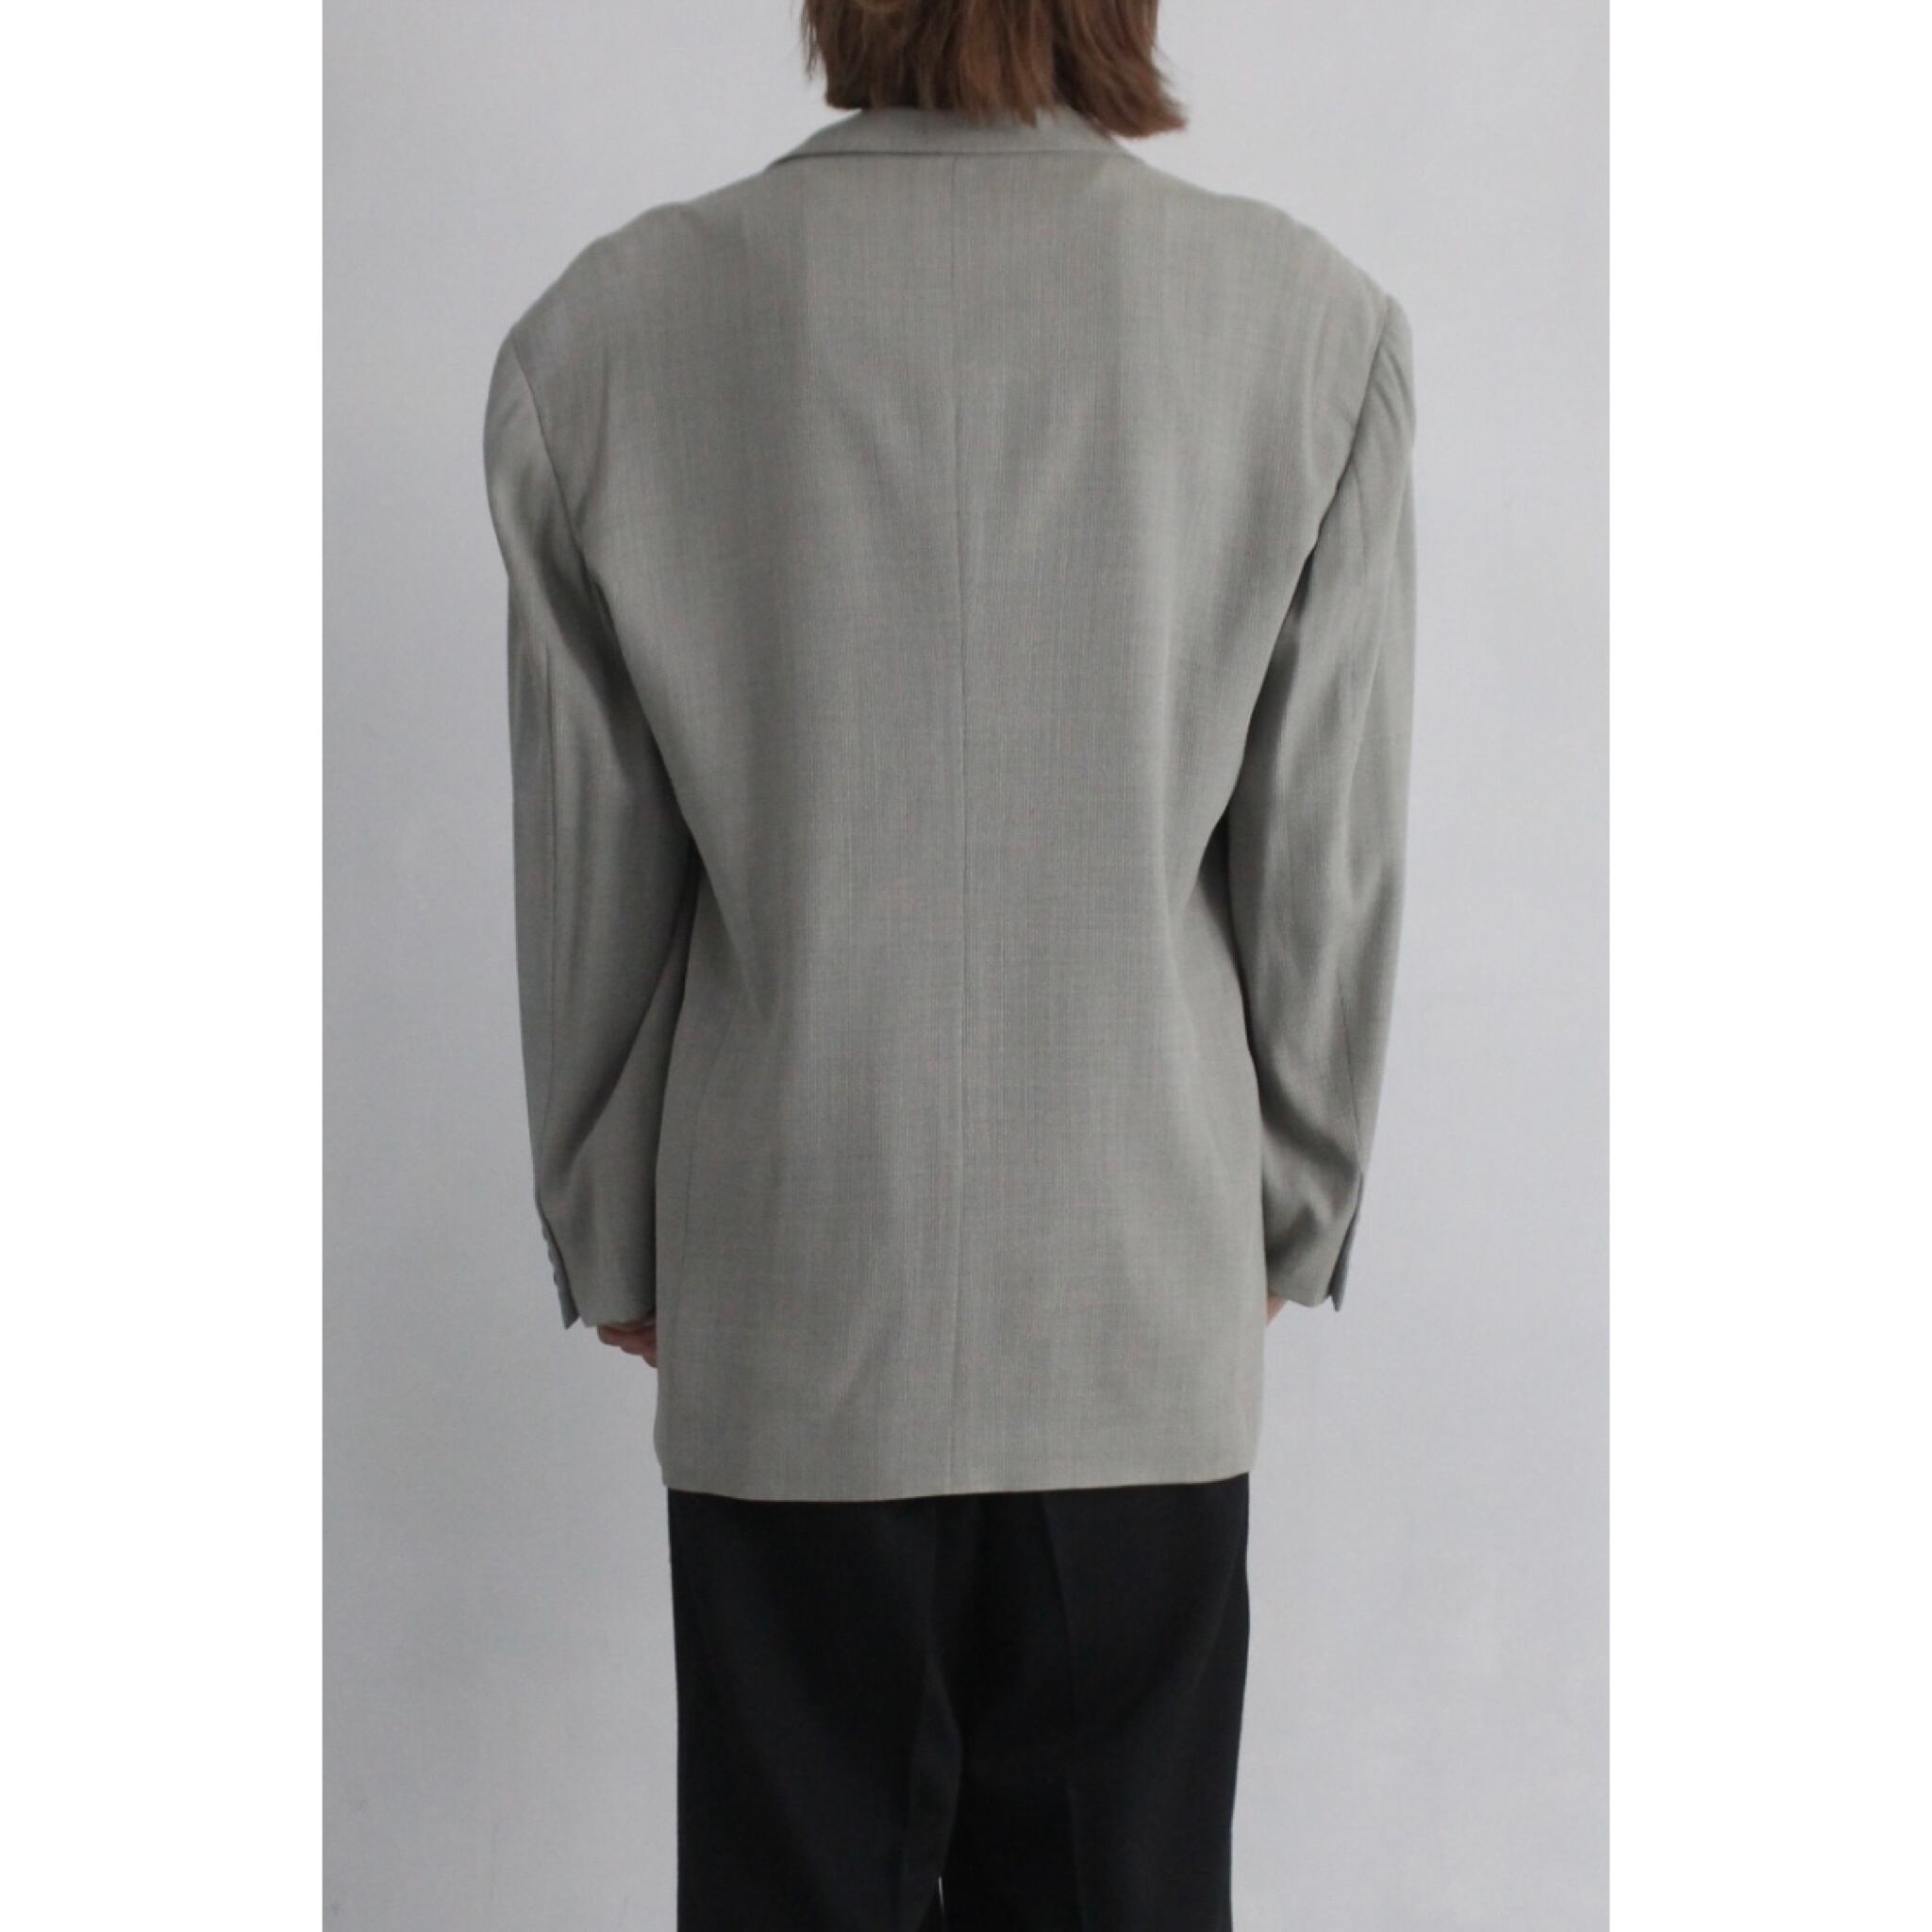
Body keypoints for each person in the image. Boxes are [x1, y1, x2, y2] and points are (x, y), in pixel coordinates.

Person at [483, 2, 1417, 1924]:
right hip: (1137, 1281)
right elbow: (1322, 856)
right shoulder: (1304, 326)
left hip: (793, 1265)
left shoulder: (610, 333)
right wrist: (1288, 1204)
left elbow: (592, 857)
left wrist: (616, 1223)